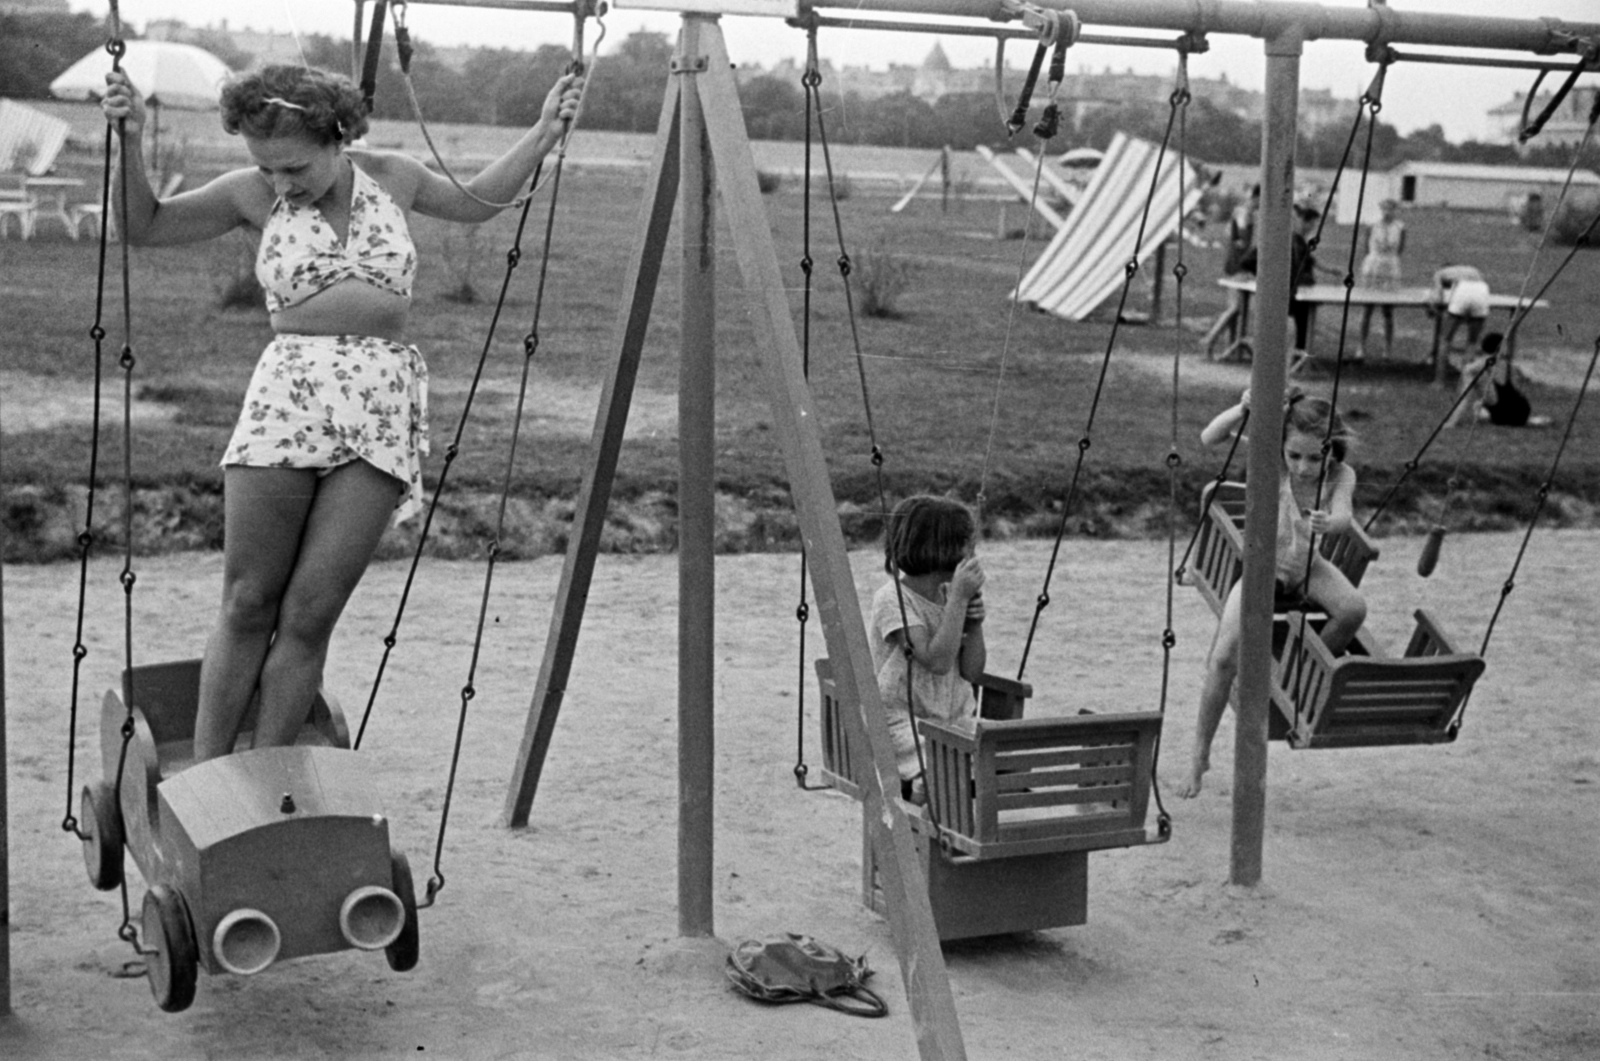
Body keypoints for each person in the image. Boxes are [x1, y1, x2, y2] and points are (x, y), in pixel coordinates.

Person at [99, 63, 583, 763]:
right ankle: (206, 783)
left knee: (311, 612)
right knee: (247, 600)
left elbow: (478, 202)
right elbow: (143, 227)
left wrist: (542, 133)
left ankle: (264, 781)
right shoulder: (251, 193)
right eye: (267, 167)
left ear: (338, 137)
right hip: (288, 401)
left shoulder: (396, 177)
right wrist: (130, 140)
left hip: (379, 407)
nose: (282, 183)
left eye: (296, 167)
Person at [1179, 389, 1367, 798]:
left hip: (1306, 568)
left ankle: (1292, 677)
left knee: (1353, 609)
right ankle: (1199, 753)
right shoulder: (1270, 459)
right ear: (1282, 447)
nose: (1302, 468)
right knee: (1224, 658)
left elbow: (1345, 516)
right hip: (1260, 568)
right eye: (1295, 456)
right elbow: (1210, 438)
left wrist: (1328, 523)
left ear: (1331, 451)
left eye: (1315, 458)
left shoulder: (1341, 475)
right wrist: (1244, 409)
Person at [868, 495, 987, 803]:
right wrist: (958, 602)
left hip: (953, 718)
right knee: (942, 773)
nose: (971, 555)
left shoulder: (951, 594)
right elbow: (936, 661)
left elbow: (971, 671)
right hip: (903, 720)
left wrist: (973, 627)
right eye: (965, 545)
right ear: (940, 549)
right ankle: (921, 805)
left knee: (992, 758)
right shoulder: (892, 599)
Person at [1204, 184, 1259, 359]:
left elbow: (1231, 236)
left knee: (1237, 308)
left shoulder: (1239, 211)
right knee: (1235, 308)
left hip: (1234, 263)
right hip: (1239, 265)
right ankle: (1210, 339)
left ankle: (1232, 346)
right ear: (1257, 197)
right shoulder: (1245, 213)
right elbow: (1240, 242)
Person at [1447, 332, 1536, 429]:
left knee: (1478, 405)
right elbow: (1517, 391)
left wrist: (1452, 422)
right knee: (1478, 405)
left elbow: (1465, 398)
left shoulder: (1473, 368)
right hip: (1522, 412)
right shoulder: (1509, 365)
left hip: (1502, 416)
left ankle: (1486, 412)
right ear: (1501, 348)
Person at [1356, 199, 1405, 361]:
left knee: (1388, 310)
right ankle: (1361, 347)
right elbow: (1365, 247)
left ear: (1395, 210)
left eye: (1391, 209)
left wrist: (1390, 264)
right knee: (1367, 308)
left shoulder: (1400, 227)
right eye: (1384, 209)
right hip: (1373, 265)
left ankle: (1387, 349)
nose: (1387, 212)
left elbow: (1400, 249)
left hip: (1390, 265)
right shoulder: (1372, 225)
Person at [1431, 263, 1491, 357]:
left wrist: (1434, 309)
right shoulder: (1473, 269)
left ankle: (1440, 370)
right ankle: (1467, 370)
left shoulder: (1440, 273)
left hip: (1463, 290)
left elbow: (1438, 295)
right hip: (1482, 289)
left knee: (1445, 339)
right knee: (1472, 341)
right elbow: (1476, 292)